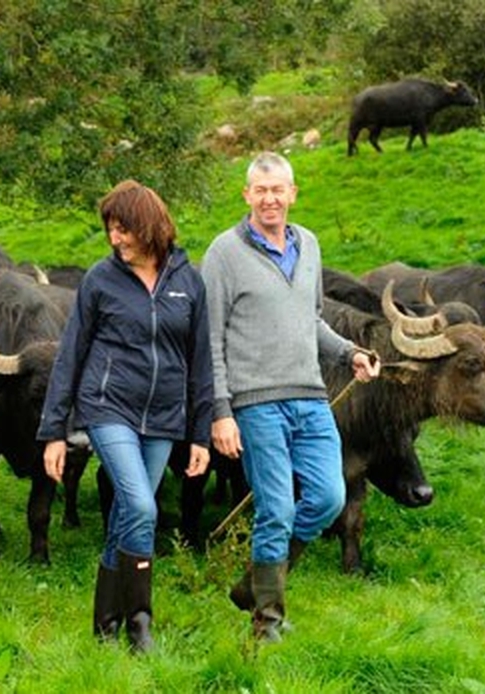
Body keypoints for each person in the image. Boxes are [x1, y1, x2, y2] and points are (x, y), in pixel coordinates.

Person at [200, 151, 380, 643]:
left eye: (278, 189)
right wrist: (220, 412)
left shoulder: (310, 245)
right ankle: (267, 622)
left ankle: (254, 585)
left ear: (293, 193)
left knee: (327, 497)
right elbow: (209, 338)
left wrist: (350, 354)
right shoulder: (223, 253)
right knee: (276, 509)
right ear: (247, 196)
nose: (270, 199)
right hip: (256, 402)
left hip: (310, 396)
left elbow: (311, 320)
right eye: (260, 190)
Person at [37, 179, 213, 653]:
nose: (115, 240)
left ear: (149, 226)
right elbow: (70, 354)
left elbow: (200, 362)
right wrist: (55, 431)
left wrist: (201, 433)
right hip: (108, 406)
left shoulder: (188, 281)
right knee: (140, 506)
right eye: (110, 230)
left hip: (164, 416)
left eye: (123, 229)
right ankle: (140, 625)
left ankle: (105, 625)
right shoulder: (99, 279)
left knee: (126, 517)